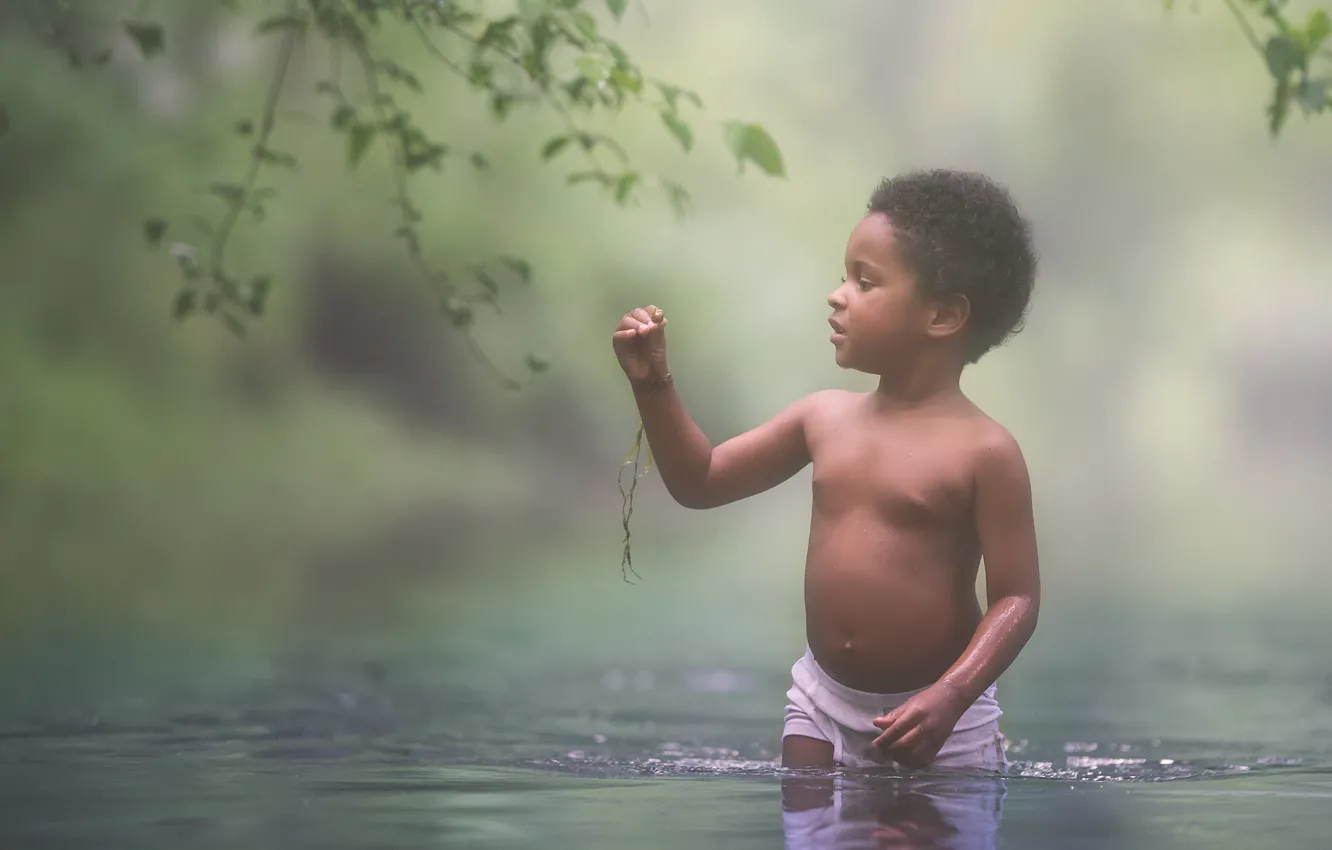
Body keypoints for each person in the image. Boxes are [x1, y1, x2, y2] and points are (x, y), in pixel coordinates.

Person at [611, 169, 1040, 773]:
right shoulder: (823, 419)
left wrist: (954, 693)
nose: (838, 295)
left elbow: (1016, 598)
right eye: (844, 277)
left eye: (865, 283)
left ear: (942, 317)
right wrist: (653, 385)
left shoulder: (986, 452)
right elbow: (699, 481)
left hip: (943, 719)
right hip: (820, 704)